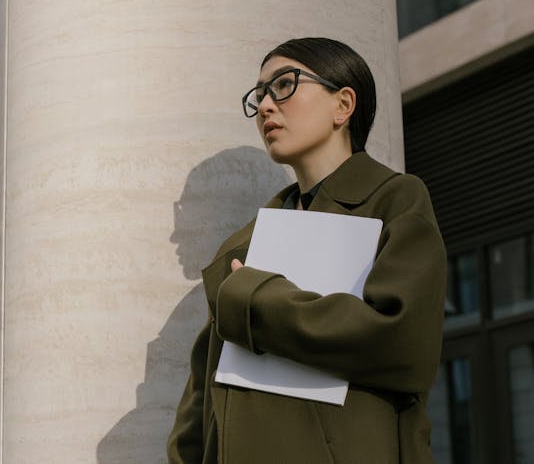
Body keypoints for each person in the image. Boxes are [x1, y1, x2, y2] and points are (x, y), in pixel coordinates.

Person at [166, 38, 446, 464]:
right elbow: (202, 402)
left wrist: (255, 298)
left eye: (284, 85)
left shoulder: (396, 200)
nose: (264, 106)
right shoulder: (243, 245)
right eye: (258, 95)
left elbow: (402, 342)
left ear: (343, 104)